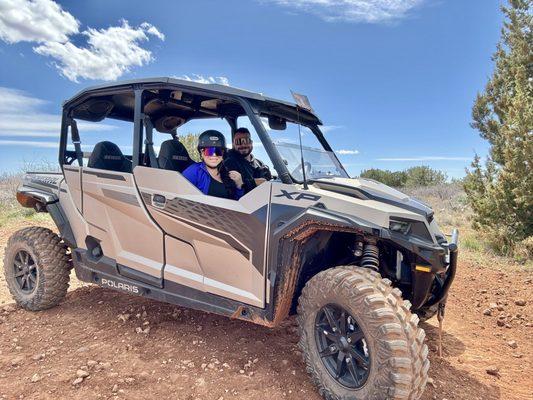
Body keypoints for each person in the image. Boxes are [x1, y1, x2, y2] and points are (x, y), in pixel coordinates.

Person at [182, 130, 244, 200]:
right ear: (202, 153)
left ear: (223, 154)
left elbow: (237, 202)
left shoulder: (228, 174)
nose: (214, 155)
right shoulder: (193, 172)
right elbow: (182, 200)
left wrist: (239, 185)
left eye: (218, 151)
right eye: (209, 151)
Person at [224, 127, 272, 194]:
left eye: (246, 141)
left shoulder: (260, 163)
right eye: (238, 142)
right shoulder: (228, 161)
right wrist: (254, 183)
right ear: (233, 144)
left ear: (251, 142)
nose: (243, 145)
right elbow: (229, 185)